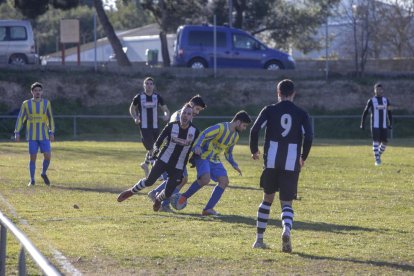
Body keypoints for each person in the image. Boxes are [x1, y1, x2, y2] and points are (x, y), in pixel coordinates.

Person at [249, 79, 313, 253]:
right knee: (286, 202)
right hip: (291, 162)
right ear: (293, 93)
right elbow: (308, 137)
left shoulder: (269, 110)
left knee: (267, 199)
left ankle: (259, 240)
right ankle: (286, 230)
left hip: (271, 161)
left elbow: (254, 130)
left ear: (278, 93)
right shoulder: (301, 113)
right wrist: (303, 156)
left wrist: (254, 150)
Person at [117, 103, 200, 211]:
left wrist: (194, 157)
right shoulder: (171, 126)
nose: (185, 115)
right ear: (180, 114)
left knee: (169, 191)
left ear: (191, 116)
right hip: (163, 159)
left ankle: (157, 200)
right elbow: (158, 142)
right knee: (149, 181)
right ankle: (131, 191)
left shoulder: (195, 131)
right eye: (183, 112)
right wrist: (156, 150)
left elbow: (196, 147)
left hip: (178, 165)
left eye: (188, 114)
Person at [176, 110, 252, 216]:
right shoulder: (220, 128)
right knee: (205, 179)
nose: (244, 128)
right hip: (203, 156)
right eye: (244, 125)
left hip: (215, 159)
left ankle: (208, 209)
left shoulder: (235, 136)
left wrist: (234, 164)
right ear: (238, 122)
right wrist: (196, 146)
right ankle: (183, 197)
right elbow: (204, 134)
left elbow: (228, 152)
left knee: (224, 181)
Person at [147, 95, 207, 212]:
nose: (197, 112)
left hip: (176, 155)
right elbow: (172, 134)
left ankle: (156, 195)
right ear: (192, 105)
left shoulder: (184, 114)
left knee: (180, 179)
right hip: (170, 155)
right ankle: (163, 203)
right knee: (179, 179)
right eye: (197, 109)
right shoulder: (180, 116)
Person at [14, 82, 55, 186]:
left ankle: (43, 173)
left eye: (39, 90)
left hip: (44, 135)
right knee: (33, 158)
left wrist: (51, 131)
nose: (37, 92)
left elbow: (50, 118)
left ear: (42, 92)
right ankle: (32, 180)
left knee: (48, 156)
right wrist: (17, 132)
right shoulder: (26, 104)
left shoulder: (47, 103)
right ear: (32, 92)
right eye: (35, 90)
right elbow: (20, 118)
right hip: (32, 136)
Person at [130, 77, 170, 177]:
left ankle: (145, 164)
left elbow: (165, 109)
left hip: (155, 126)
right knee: (152, 148)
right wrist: (135, 117)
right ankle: (156, 172)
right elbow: (132, 109)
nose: (149, 85)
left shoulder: (157, 97)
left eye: (151, 84)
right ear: (144, 85)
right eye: (147, 83)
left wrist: (166, 115)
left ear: (153, 86)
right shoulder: (138, 97)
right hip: (144, 127)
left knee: (155, 148)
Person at [360, 82, 393, 166]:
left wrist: (390, 122)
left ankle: (377, 155)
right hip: (375, 125)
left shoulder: (386, 100)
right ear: (374, 90)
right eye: (377, 89)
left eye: (380, 89)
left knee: (385, 142)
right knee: (376, 141)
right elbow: (365, 112)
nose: (378, 90)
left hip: (384, 125)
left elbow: (389, 112)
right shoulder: (371, 100)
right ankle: (377, 160)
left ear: (383, 90)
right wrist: (362, 123)